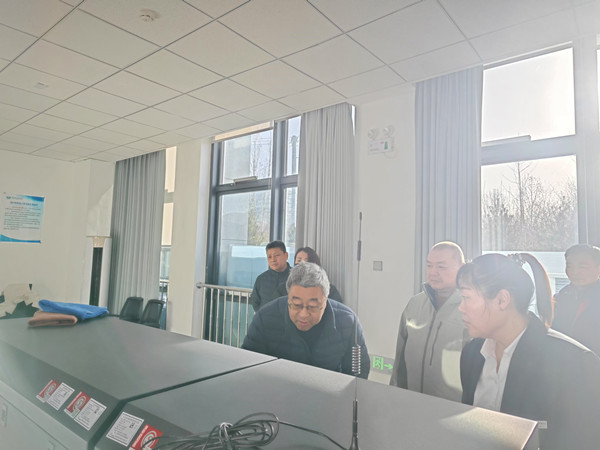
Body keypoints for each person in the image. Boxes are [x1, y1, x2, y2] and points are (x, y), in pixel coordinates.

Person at [458, 253, 600, 450]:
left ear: (502, 300)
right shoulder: (472, 354)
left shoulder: (573, 363)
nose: (461, 308)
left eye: (466, 298)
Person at [242, 262, 370, 378]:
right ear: (288, 297)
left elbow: (358, 372)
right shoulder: (266, 318)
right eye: (296, 305)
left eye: (313, 306)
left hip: (328, 390)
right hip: (277, 390)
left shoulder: (348, 322)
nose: (303, 314)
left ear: (325, 300)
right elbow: (248, 366)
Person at [390, 241, 469, 402]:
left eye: (441, 266)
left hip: (453, 409)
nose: (433, 272)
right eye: (429, 265)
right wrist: (394, 396)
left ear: (461, 268)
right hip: (411, 403)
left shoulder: (470, 309)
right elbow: (400, 362)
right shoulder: (415, 304)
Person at [552, 244, 600, 355]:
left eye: (582, 267)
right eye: (569, 266)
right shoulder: (562, 295)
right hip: (563, 358)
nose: (574, 272)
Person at [250, 241, 291, 311]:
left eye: (277, 255)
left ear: (286, 255)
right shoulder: (261, 279)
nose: (273, 260)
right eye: (269, 257)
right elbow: (255, 302)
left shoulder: (296, 277)